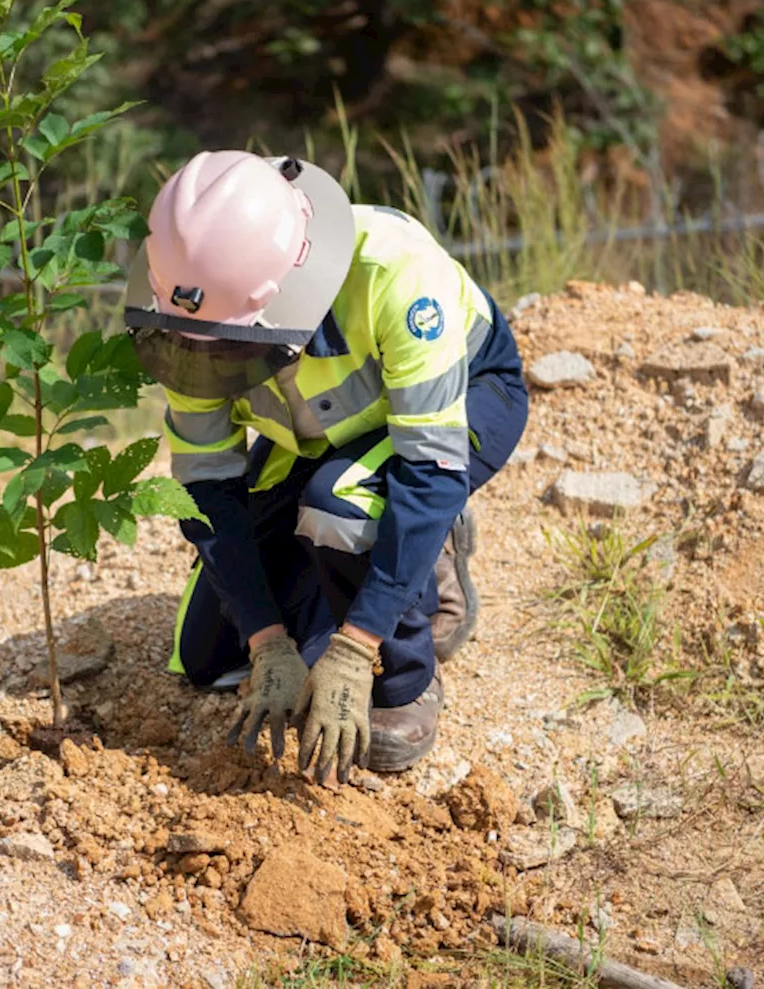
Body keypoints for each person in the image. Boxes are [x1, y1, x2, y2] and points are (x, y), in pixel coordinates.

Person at [123, 150, 529, 784]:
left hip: (458, 407)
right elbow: (208, 489)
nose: (212, 362)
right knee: (208, 657)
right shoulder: (194, 317)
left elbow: (430, 472)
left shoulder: (395, 272)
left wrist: (356, 646)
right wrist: (266, 642)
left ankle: (408, 673)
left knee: (342, 506)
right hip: (315, 432)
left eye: (232, 344)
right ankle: (375, 571)